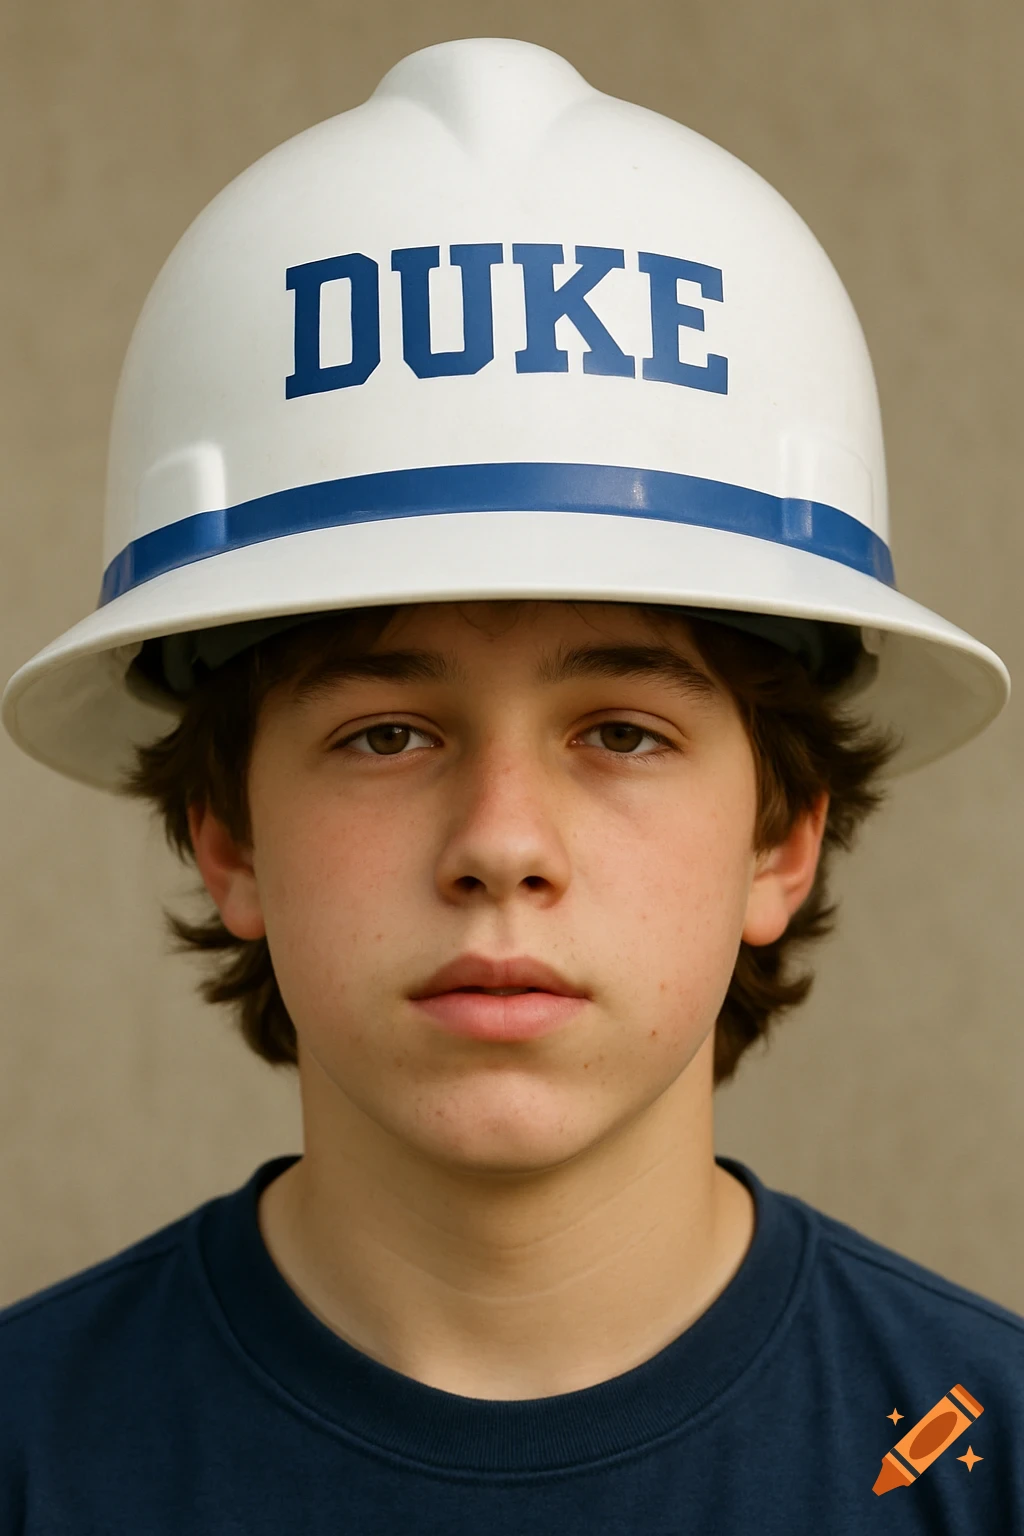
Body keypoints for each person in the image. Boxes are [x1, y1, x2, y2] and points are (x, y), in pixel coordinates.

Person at [1, 36, 1021, 1535]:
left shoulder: (982, 1466)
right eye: (385, 735)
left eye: (620, 733)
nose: (500, 847)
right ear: (227, 837)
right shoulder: (33, 1462)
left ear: (783, 835)